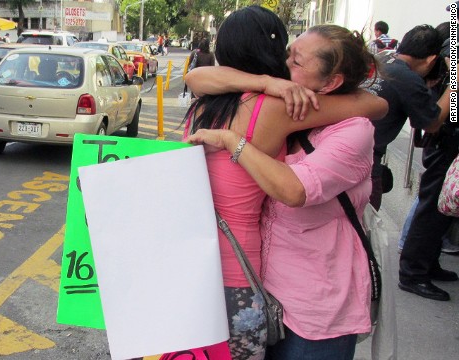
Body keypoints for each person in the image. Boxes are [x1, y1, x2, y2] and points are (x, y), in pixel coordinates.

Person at [182, 6, 387, 359]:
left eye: (296, 59)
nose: (288, 62)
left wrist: (262, 82)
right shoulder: (278, 106)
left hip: (193, 258)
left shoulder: (206, 105)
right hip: (238, 265)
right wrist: (269, 84)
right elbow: (375, 105)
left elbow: (195, 77)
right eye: (286, 53)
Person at [399, 20, 457, 301]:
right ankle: (413, 272)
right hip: (445, 133)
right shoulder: (451, 36)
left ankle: (426, 264)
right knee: (434, 204)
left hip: (445, 131)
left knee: (441, 208)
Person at [364, 24, 448, 210]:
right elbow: (433, 124)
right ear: (432, 60)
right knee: (362, 230)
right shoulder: (408, 79)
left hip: (352, 155)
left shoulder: (382, 59)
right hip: (366, 167)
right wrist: (454, 86)